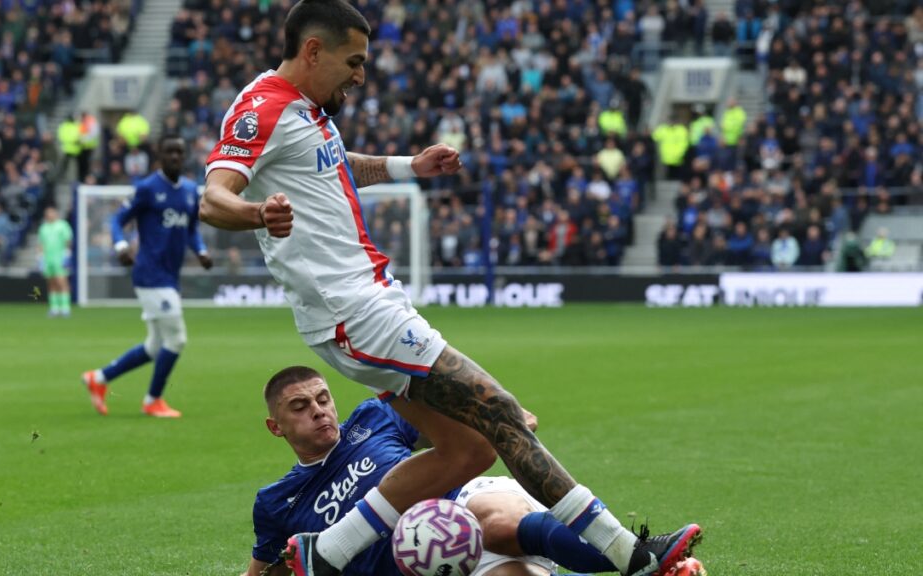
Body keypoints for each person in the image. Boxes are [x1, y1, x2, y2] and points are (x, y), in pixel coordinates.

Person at [199, 3, 701, 576]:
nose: (360, 75)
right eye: (353, 61)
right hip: (355, 312)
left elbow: (335, 166)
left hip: (364, 306)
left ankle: (326, 554)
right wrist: (259, 213)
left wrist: (410, 166)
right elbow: (213, 197)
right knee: (503, 414)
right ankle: (632, 557)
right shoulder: (262, 108)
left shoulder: (307, 111)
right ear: (313, 50)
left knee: (468, 449)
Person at [248, 366, 621, 576]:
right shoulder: (276, 502)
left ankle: (642, 558)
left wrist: (498, 424)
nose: (317, 410)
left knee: (492, 522)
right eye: (299, 406)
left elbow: (451, 434)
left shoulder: (372, 418)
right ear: (275, 427)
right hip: (433, 567)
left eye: (323, 399)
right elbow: (267, 572)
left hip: (464, 503)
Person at [81, 134, 213, 418]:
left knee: (155, 345)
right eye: (170, 152)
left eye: (179, 152)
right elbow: (117, 220)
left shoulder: (190, 190)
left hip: (169, 276)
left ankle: (99, 378)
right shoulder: (147, 189)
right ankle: (153, 400)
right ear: (160, 157)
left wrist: (200, 250)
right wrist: (120, 245)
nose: (175, 157)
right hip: (150, 273)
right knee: (176, 339)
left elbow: (191, 229)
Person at [37, 206, 73, 317]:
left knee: (62, 281)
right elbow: (41, 243)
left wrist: (67, 255)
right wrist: (40, 258)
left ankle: (65, 307)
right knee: (51, 283)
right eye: (47, 213)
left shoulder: (63, 226)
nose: (49, 215)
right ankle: (54, 307)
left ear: (56, 214)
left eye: (51, 213)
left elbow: (68, 240)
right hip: (48, 259)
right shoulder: (43, 228)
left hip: (59, 258)